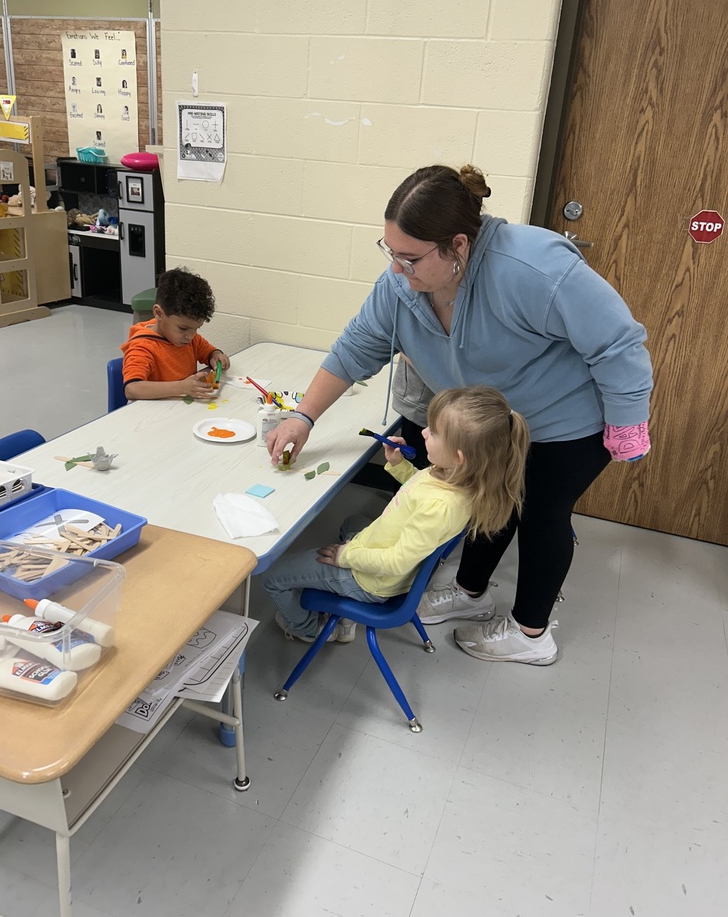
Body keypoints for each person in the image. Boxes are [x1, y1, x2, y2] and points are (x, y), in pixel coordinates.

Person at [267, 163, 653, 665]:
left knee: (539, 515)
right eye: (390, 253)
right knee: (486, 503)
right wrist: (304, 416)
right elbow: (358, 345)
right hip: (490, 423)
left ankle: (531, 635)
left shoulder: (533, 267)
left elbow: (617, 342)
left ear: (459, 246)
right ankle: (471, 594)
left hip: (565, 422)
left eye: (409, 258)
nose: (395, 270)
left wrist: (627, 419)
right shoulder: (404, 284)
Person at [263, 387, 529, 645]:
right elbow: (420, 488)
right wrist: (398, 465)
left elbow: (396, 562)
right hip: (386, 558)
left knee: (273, 576)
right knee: (352, 522)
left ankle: (307, 628)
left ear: (459, 457)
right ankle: (342, 612)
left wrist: (346, 556)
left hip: (372, 581)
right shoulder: (452, 477)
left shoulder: (442, 506)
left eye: (433, 432)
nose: (424, 432)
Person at [121, 266, 230, 401]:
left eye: (196, 329)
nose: (190, 336)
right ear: (159, 313)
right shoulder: (142, 347)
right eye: (183, 328)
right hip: (153, 416)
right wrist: (180, 387)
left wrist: (216, 355)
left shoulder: (190, 339)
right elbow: (131, 389)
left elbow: (209, 353)